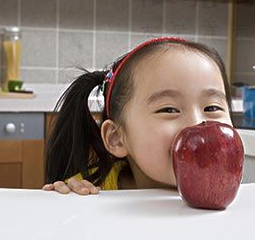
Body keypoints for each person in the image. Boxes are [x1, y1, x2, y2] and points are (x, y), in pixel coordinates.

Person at [42, 37, 233, 195]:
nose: (197, 124)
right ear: (117, 138)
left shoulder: (228, 183)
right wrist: (66, 204)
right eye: (169, 109)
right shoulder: (92, 191)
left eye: (212, 108)